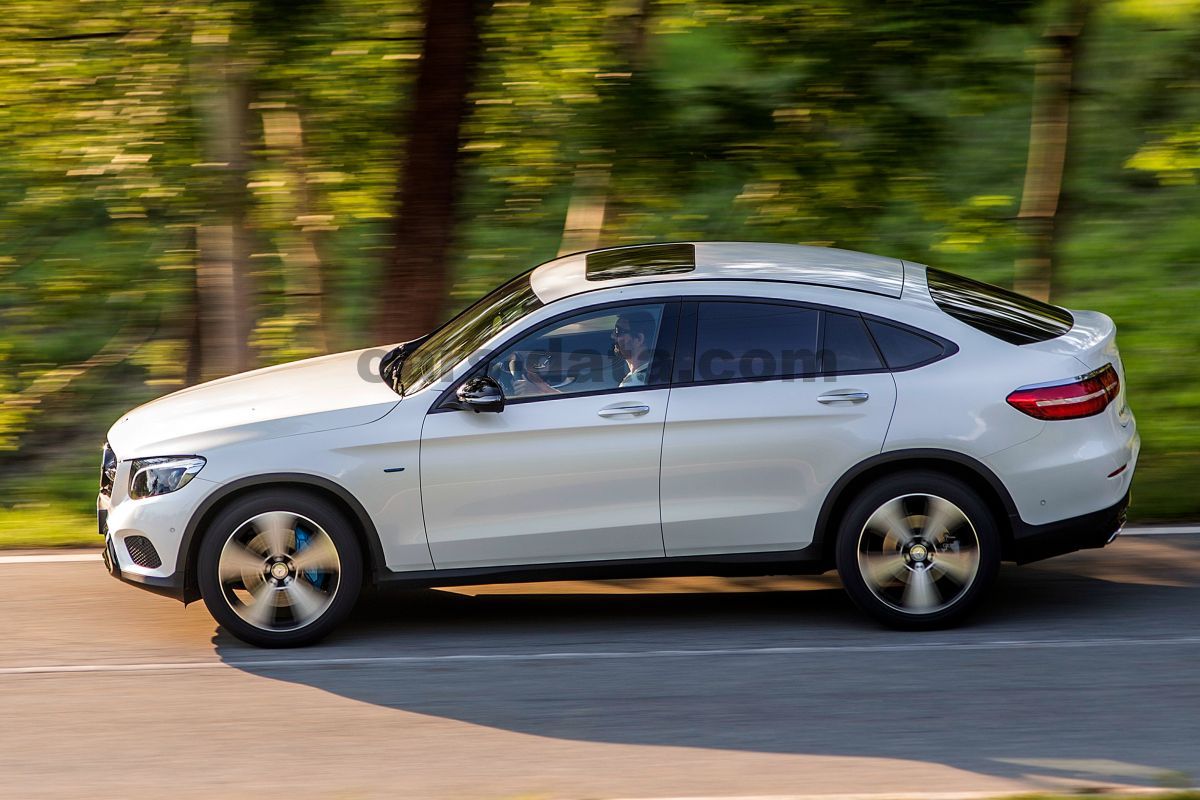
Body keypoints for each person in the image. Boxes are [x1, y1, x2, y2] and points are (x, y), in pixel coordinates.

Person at [611, 310, 657, 387]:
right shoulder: (653, 372)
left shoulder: (632, 384)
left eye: (618, 331)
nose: (613, 336)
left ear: (639, 339)